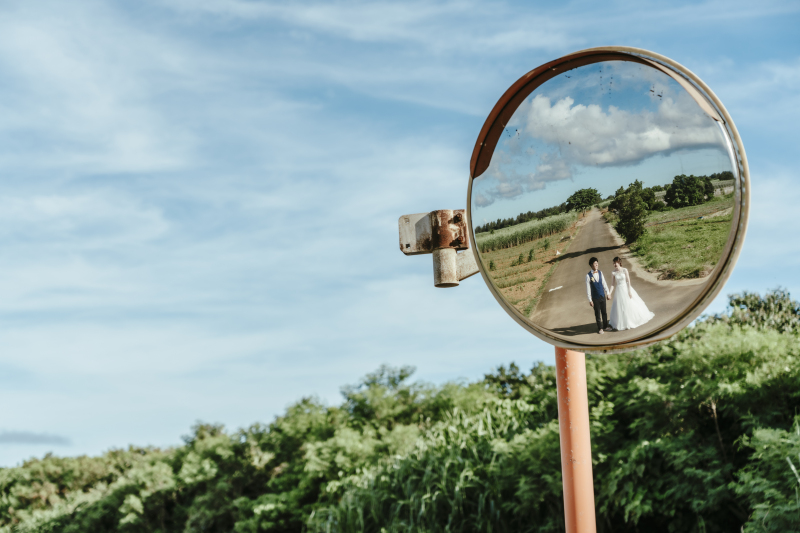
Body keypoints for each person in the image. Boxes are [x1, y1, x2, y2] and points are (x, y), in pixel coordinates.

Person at [608, 257, 654, 331]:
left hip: (625, 288)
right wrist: (609, 293)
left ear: (619, 262)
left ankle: (631, 320)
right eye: (613, 263)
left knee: (630, 304)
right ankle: (623, 322)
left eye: (616, 262)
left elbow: (628, 281)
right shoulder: (613, 272)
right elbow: (612, 284)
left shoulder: (625, 270)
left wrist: (629, 291)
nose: (614, 264)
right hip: (619, 290)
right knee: (620, 307)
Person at [585, 257, 612, 334]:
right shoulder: (588, 276)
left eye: (597, 263)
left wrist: (608, 293)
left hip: (602, 295)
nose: (597, 265)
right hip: (595, 298)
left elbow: (604, 283)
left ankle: (605, 326)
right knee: (597, 313)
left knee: (604, 312)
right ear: (591, 265)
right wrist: (590, 300)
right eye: (595, 263)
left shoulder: (600, 272)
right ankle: (600, 328)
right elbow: (588, 289)